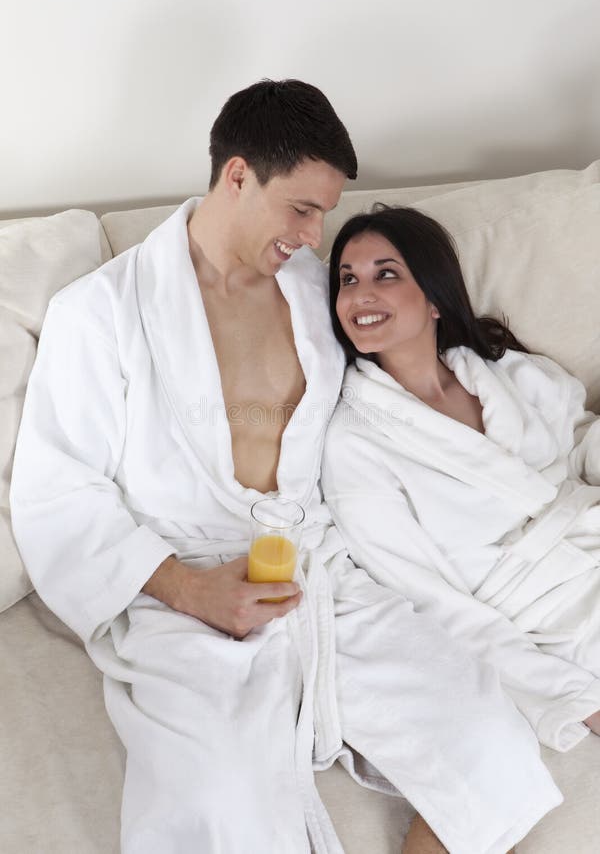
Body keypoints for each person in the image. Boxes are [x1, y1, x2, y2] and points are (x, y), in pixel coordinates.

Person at [10, 82, 561, 854]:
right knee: (218, 805)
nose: (315, 236)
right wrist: (192, 589)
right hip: (188, 577)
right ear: (237, 176)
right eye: (301, 209)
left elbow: (410, 374)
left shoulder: (317, 293)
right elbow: (58, 493)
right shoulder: (100, 313)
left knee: (488, 737)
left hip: (324, 566)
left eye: (325, 213)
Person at [323, 204, 600, 762]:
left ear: (433, 298)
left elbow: (582, 444)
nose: (359, 295)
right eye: (347, 280)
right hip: (552, 619)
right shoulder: (353, 443)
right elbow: (430, 602)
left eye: (386, 273)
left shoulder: (508, 373)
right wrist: (575, 699)